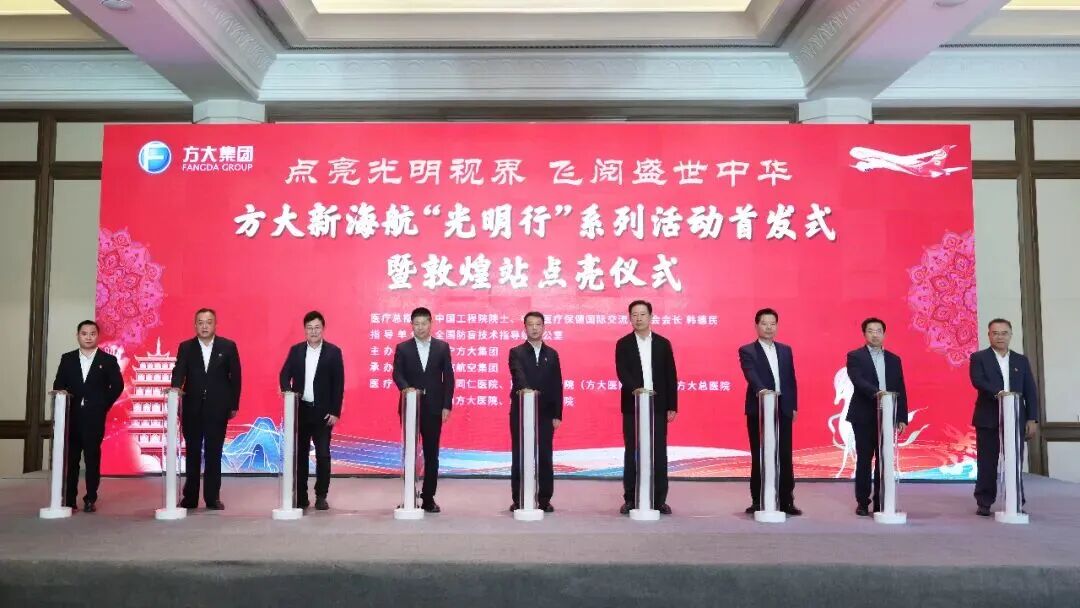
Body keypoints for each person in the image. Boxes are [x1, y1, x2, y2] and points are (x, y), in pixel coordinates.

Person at [170, 308, 242, 510]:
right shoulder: (186, 347)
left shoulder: (227, 346)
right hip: (191, 408)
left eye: (208, 322)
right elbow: (179, 372)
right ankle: (190, 497)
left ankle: (212, 498)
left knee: (214, 453)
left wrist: (233, 404)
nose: (204, 326)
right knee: (192, 452)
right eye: (200, 322)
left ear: (215, 324)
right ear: (195, 325)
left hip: (217, 408)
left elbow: (236, 378)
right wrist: (175, 388)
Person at [51, 320, 124, 513]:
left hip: (94, 417)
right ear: (78, 336)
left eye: (92, 333)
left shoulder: (107, 360)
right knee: (71, 460)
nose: (88, 337)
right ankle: (69, 499)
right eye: (84, 333)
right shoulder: (67, 359)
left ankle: (90, 498)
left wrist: (103, 404)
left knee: (92, 458)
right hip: (71, 416)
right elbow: (58, 384)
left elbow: (117, 386)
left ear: (97, 336)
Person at [969, 318, 1039, 517]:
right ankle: (984, 502)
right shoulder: (979, 357)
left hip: (1016, 417)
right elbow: (977, 380)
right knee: (987, 462)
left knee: (1014, 461)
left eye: (1004, 333)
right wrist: (1000, 393)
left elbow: (1030, 390)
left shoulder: (1020, 360)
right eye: (995, 333)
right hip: (988, 417)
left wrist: (1032, 418)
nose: (1000, 337)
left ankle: (1015, 500)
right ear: (989, 335)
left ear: (1010, 335)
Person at [614, 300, 678, 515]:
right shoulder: (623, 344)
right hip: (633, 406)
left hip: (658, 406)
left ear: (651, 317)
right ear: (629, 318)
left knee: (658, 452)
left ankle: (659, 499)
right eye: (634, 314)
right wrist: (637, 390)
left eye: (642, 314)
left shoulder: (663, 344)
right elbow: (622, 372)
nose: (639, 318)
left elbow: (671, 375)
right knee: (632, 451)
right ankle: (631, 498)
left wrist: (672, 405)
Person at [738, 308, 801, 516]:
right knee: (760, 455)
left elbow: (791, 380)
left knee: (784, 455)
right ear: (756, 326)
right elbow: (751, 374)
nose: (768, 327)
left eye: (772, 324)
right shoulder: (747, 350)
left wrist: (793, 406)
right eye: (764, 323)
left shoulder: (785, 350)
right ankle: (758, 500)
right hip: (759, 408)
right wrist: (763, 391)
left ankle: (786, 501)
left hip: (782, 408)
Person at [279, 311, 344, 511]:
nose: (313, 331)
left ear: (323, 329)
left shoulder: (333, 352)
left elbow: (338, 384)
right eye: (309, 328)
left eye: (317, 328)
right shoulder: (296, 351)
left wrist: (335, 411)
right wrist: (288, 393)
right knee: (300, 455)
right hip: (300, 411)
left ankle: (321, 495)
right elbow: (284, 375)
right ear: (304, 330)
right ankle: (301, 496)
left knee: (323, 455)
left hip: (323, 413)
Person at [392, 307, 455, 513]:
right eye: (416, 324)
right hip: (410, 406)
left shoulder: (442, 347)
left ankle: (428, 497)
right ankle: (409, 496)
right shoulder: (403, 348)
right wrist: (406, 388)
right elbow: (397, 374)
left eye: (424, 323)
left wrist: (446, 405)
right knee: (409, 453)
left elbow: (449, 378)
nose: (420, 327)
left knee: (431, 454)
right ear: (411, 325)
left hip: (434, 407)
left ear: (430, 323)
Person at [845, 317, 908, 517]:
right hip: (863, 415)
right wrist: (878, 393)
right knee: (864, 459)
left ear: (884, 334)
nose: (875, 334)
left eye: (879, 331)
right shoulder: (855, 356)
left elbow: (900, 387)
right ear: (864, 334)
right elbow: (857, 380)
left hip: (887, 416)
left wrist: (901, 417)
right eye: (871, 331)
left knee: (884, 460)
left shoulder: (894, 359)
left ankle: (882, 501)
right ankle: (863, 502)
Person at [508, 311, 563, 513]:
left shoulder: (552, 354)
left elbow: (557, 384)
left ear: (543, 327)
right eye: (530, 324)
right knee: (520, 455)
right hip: (521, 411)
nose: (534, 328)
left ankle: (544, 499)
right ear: (525, 327)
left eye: (538, 324)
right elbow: (517, 374)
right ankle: (519, 498)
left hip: (546, 413)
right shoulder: (516, 352)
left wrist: (557, 414)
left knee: (545, 456)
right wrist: (527, 390)